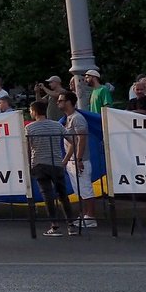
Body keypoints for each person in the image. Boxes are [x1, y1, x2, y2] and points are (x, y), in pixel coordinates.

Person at [26, 100, 76, 237]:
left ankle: (54, 226)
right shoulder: (57, 125)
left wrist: (28, 165)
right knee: (63, 195)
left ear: (34, 112)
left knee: (47, 195)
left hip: (39, 164)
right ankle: (71, 225)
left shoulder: (29, 128)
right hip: (56, 163)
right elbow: (73, 141)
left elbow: (27, 150)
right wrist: (65, 159)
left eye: (30, 111)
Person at [57, 91, 96, 229]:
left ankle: (90, 216)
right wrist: (67, 160)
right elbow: (72, 142)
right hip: (73, 160)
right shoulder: (68, 118)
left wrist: (79, 159)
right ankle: (84, 215)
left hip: (80, 160)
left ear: (69, 102)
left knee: (85, 189)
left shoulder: (77, 118)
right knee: (79, 190)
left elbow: (81, 139)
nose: (58, 102)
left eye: (61, 100)